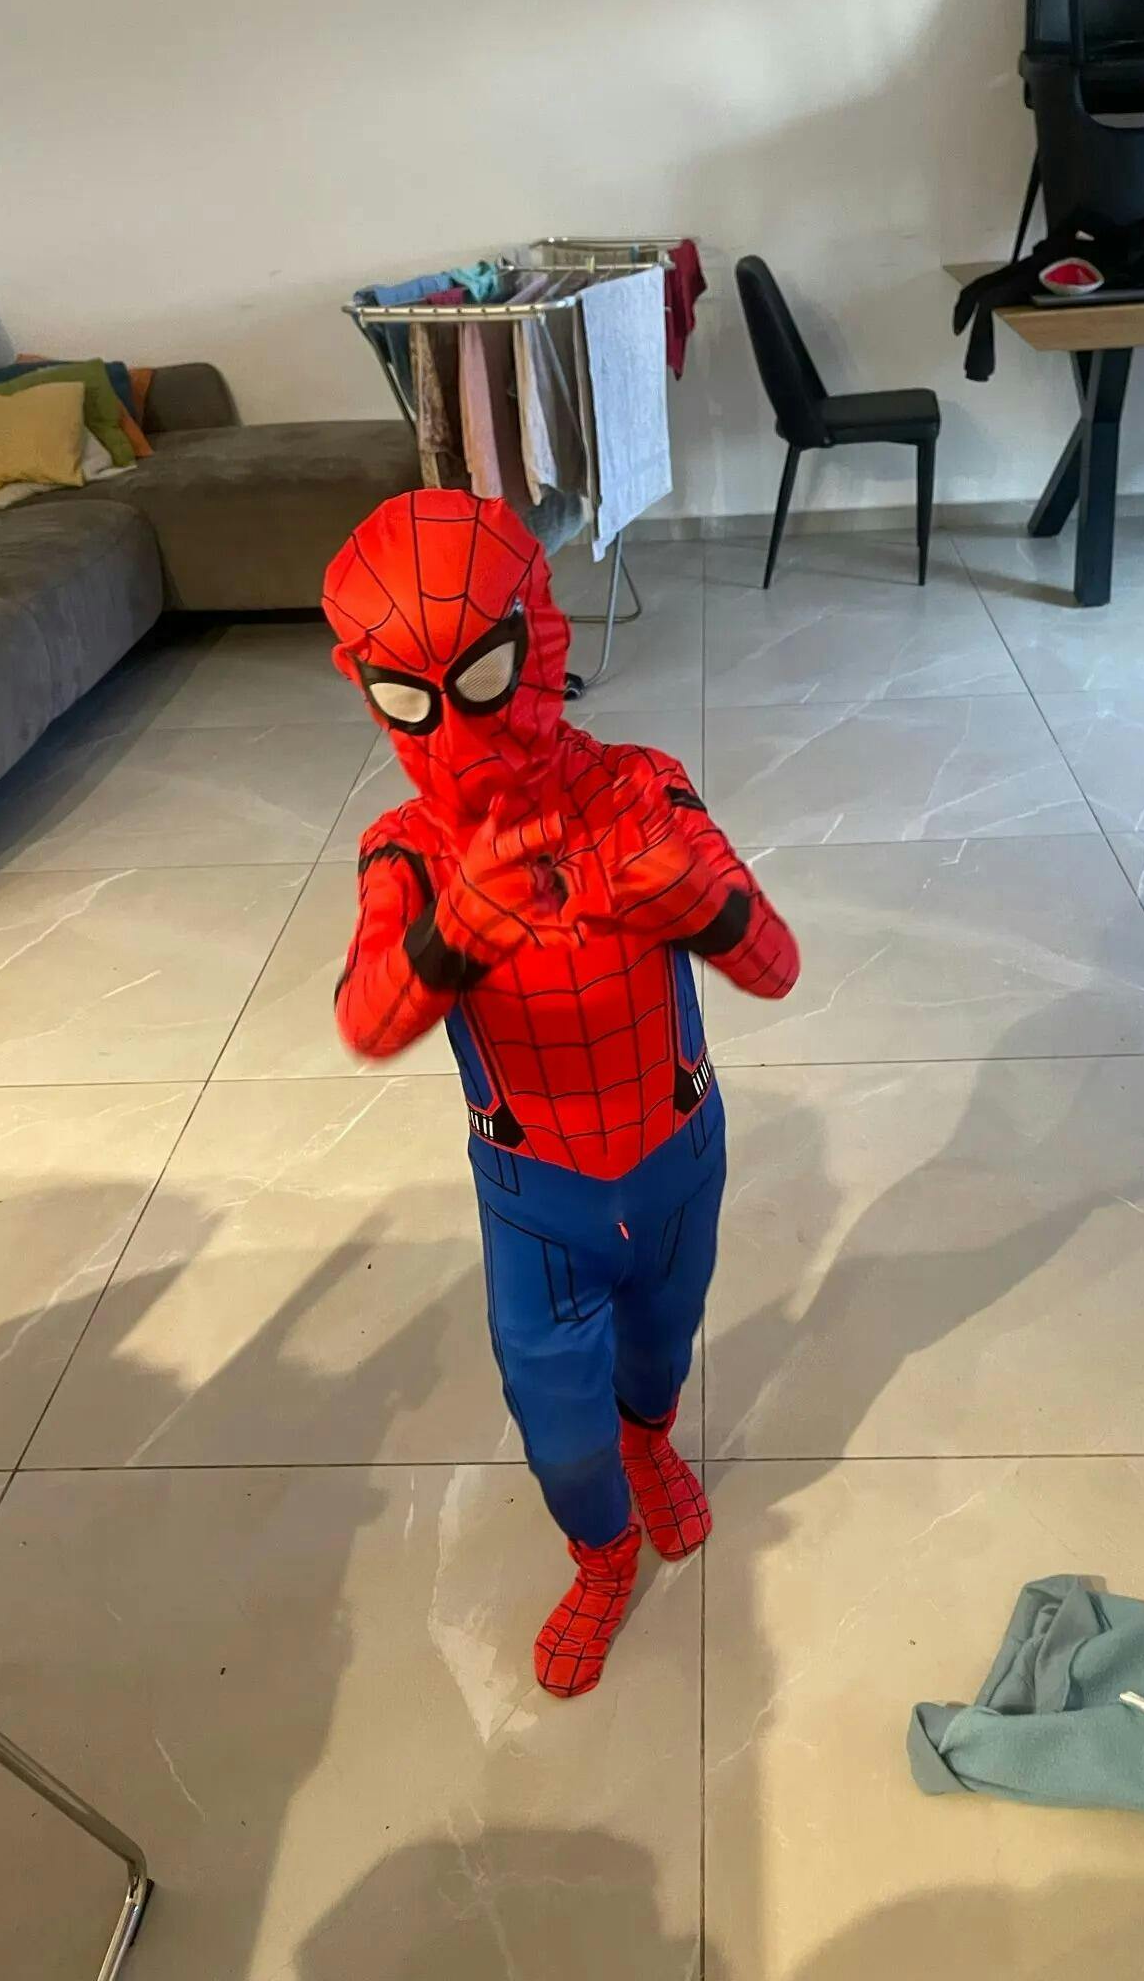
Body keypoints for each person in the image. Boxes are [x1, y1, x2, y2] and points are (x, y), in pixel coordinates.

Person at [325, 489, 800, 1698]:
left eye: (483, 675)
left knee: (663, 1344)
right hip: (537, 1197)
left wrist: (696, 899)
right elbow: (366, 1017)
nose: (458, 733)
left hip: (678, 1154)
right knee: (556, 1418)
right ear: (366, 688)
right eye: (408, 698)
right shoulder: (406, 850)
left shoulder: (645, 787)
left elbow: (776, 963)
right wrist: (454, 933)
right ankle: (602, 1552)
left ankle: (652, 1443)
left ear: (541, 639)